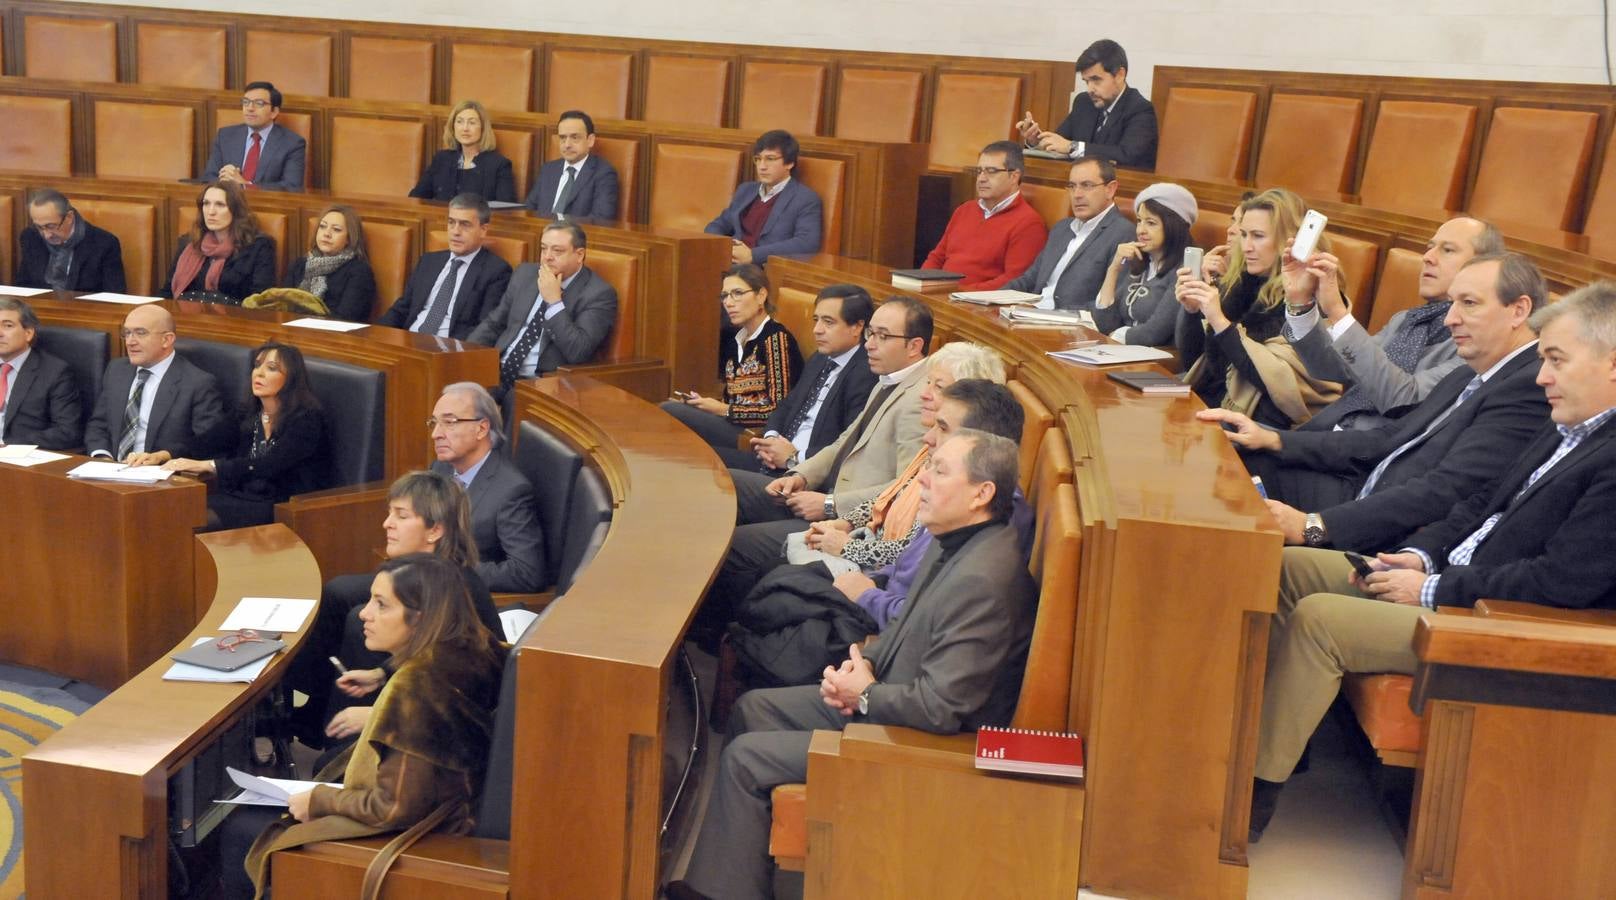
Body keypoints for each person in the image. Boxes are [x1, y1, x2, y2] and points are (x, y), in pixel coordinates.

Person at [1249, 281, 1616, 842]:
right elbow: (1479, 503)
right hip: (1449, 579)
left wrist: (1432, 589)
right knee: (1293, 566)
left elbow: (1558, 583)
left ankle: (1249, 795)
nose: (1542, 377)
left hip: (1490, 621)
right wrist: (1418, 556)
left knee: (1321, 620)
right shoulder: (1568, 424)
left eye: (1557, 362)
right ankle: (1263, 730)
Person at [668, 431, 1036, 900]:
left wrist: (864, 694)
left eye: (940, 470)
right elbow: (905, 631)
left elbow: (942, 710)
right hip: (889, 700)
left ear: (982, 493)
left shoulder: (984, 579)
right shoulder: (955, 540)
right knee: (754, 708)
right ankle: (745, 879)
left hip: (922, 745)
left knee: (745, 760)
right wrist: (856, 670)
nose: (922, 479)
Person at [1198, 253, 1550, 552]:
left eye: (1469, 304)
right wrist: (1273, 438)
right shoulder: (1467, 373)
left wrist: (1312, 526)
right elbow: (1386, 438)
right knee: (1235, 455)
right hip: (1359, 488)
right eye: (1453, 302)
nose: (1450, 318)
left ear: (1519, 310)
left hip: (1387, 529)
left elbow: (1444, 492)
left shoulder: (1527, 387)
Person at [224, 553, 505, 899]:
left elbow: (392, 808)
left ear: (421, 619)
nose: (363, 613)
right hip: (456, 805)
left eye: (381, 605)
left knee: (240, 829)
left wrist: (319, 800)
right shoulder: (476, 647)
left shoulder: (417, 689)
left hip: (430, 834)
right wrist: (384, 673)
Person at [282, 470, 503, 753]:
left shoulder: (452, 591)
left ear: (435, 530)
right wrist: (381, 673)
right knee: (342, 597)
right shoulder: (428, 575)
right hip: (426, 699)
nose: (387, 524)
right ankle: (299, 710)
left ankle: (333, 742)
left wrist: (379, 715)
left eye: (401, 515)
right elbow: (430, 655)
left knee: (356, 620)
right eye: (389, 513)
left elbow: (454, 683)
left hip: (456, 738)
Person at [790, 342, 1006, 575]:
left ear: (970, 399)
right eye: (928, 383)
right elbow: (894, 493)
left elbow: (913, 550)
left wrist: (846, 545)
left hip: (878, 575)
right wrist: (848, 522)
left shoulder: (961, 467)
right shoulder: (935, 442)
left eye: (938, 387)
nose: (924, 394)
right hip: (863, 538)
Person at [1286, 217, 1505, 431]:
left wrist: (1337, 312)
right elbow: (1333, 368)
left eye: (1447, 250)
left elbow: (1402, 398)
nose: (1427, 257)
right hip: (1322, 431)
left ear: (1482, 266)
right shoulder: (1407, 319)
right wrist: (1300, 303)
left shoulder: (1478, 343)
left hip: (1365, 455)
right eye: (1429, 248)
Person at [1174, 189, 1342, 430]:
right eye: (1244, 235)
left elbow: (1275, 385)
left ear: (1289, 239)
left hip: (1261, 424)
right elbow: (1200, 364)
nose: (1247, 246)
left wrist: (1220, 322)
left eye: (1258, 236)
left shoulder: (1310, 296)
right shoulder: (1240, 282)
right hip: (1217, 405)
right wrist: (1191, 311)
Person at [157, 342, 330, 529]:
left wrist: (209, 465)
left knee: (188, 520)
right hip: (239, 496)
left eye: (271, 368)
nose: (259, 373)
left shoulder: (307, 419)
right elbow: (207, 442)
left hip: (281, 504)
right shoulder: (247, 413)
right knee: (169, 510)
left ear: (291, 378)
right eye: (257, 366)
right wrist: (163, 454)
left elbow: (270, 464)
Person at [735, 284, 877, 473]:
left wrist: (793, 459)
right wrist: (770, 438)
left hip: (804, 474)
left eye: (828, 322)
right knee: (711, 464)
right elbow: (787, 405)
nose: (817, 330)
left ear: (857, 327)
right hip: (773, 459)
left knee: (722, 477)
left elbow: (849, 445)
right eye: (816, 320)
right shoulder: (820, 358)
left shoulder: (866, 374)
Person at [661, 264, 802, 453]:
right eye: (725, 296)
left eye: (737, 293)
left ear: (761, 295)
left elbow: (777, 411)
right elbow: (731, 399)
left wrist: (723, 409)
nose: (728, 302)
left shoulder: (776, 340)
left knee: (670, 412)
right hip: (733, 424)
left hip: (757, 435)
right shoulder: (735, 340)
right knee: (672, 413)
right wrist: (705, 405)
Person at [467, 222, 619, 392]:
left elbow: (578, 351)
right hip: (498, 372)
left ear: (579, 254)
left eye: (557, 251)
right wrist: (464, 354)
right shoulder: (525, 274)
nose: (547, 256)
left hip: (541, 384)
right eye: (544, 248)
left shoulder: (598, 294)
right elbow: (494, 323)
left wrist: (554, 302)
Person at [428, 382, 547, 592]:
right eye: (434, 423)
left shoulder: (511, 491)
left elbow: (527, 573)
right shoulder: (440, 468)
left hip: (460, 595)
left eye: (449, 422)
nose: (436, 434)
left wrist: (452, 569)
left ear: (482, 428)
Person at [83, 303, 229, 464]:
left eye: (140, 333)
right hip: (110, 470)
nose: (130, 342)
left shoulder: (198, 384)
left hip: (160, 475)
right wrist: (103, 457)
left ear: (167, 339)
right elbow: (99, 424)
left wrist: (160, 458)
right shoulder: (117, 370)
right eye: (127, 333)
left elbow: (207, 446)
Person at [1003, 156, 1132, 311]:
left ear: (1110, 189)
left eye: (1087, 185)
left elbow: (1109, 305)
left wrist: (1055, 316)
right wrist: (991, 299)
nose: (1077, 194)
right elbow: (1029, 279)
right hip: (1030, 312)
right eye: (1072, 186)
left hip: (1068, 324)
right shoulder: (1061, 228)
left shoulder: (1123, 234)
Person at [378, 194, 513, 340]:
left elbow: (484, 328)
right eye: (451, 222)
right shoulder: (428, 261)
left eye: (465, 224)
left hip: (449, 347)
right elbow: (401, 309)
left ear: (483, 230)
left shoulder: (496, 271)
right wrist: (376, 335)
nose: (455, 232)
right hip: (410, 341)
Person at [921, 141, 1047, 290]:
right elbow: (937, 257)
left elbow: (1014, 280)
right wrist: (922, 283)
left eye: (991, 171)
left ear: (1014, 176)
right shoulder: (964, 210)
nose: (981, 178)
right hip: (942, 296)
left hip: (976, 305)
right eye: (979, 171)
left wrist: (958, 293)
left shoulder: (1029, 223)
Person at [1015, 39, 1158, 170]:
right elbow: (1060, 141)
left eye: (1096, 80)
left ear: (1120, 75)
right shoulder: (1084, 102)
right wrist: (1036, 141)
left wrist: (1072, 147)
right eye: (1086, 81)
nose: (1090, 89)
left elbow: (1126, 155)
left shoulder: (1140, 109)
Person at [1092, 182, 1196, 345]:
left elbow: (1154, 333)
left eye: (1151, 223)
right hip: (1121, 350)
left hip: (1158, 360)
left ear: (1173, 227)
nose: (1141, 230)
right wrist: (1113, 269)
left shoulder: (1184, 271)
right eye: (1139, 221)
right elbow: (1104, 323)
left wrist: (1116, 336)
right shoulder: (1140, 262)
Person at [705, 129, 823, 264]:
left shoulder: (805, 199)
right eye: (758, 159)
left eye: (770, 159)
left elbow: (807, 243)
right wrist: (726, 246)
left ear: (790, 163)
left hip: (762, 268)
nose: (762, 166)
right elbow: (718, 224)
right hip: (729, 260)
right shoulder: (746, 190)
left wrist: (753, 255)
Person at [165, 181, 276, 303]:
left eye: (220, 205)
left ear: (235, 210)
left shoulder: (258, 246)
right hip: (185, 316)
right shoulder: (190, 243)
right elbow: (167, 292)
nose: (211, 211)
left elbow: (260, 301)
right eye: (206, 204)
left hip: (235, 319)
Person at [0, 297, 82, 449]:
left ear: (28, 333)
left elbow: (66, 432)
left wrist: (9, 444)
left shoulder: (55, 372)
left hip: (20, 458)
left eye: (8, 326)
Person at [15, 189, 127, 293]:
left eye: (51, 226)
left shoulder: (104, 244)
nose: (46, 235)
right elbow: (23, 287)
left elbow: (115, 294)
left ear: (69, 217)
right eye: (39, 227)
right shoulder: (31, 237)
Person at [202, 81, 306, 192]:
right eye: (246, 102)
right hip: (227, 204)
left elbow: (292, 187)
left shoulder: (292, 143)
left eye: (259, 103)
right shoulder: (225, 136)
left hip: (266, 206)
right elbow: (208, 177)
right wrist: (225, 179)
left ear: (274, 112)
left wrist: (245, 184)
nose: (250, 108)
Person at [280, 205, 378, 322]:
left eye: (336, 229)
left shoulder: (359, 272)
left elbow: (346, 319)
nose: (326, 234)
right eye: (322, 227)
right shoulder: (299, 265)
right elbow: (282, 307)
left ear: (349, 238)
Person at [410, 100, 517, 204]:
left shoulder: (499, 165)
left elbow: (505, 211)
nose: (465, 128)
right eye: (460, 121)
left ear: (483, 128)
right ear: (453, 127)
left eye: (472, 122)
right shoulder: (441, 159)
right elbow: (416, 198)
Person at [524, 109, 620, 221]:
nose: (567, 145)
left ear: (590, 140)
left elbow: (601, 219)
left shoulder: (603, 174)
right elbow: (528, 210)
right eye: (562, 138)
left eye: (574, 137)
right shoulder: (548, 169)